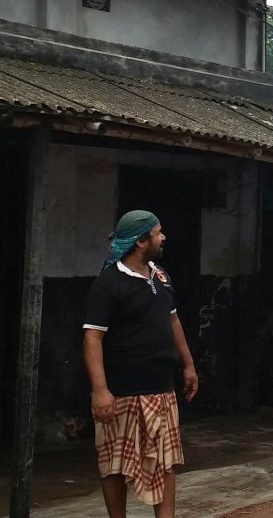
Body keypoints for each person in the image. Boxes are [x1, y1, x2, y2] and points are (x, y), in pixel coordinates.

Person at [83, 211, 198, 518]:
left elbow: (173, 321)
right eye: (158, 233)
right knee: (114, 465)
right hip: (122, 392)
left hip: (161, 389)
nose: (164, 238)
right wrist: (100, 390)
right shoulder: (108, 284)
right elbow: (92, 338)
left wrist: (188, 365)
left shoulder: (160, 276)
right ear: (140, 242)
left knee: (166, 461)